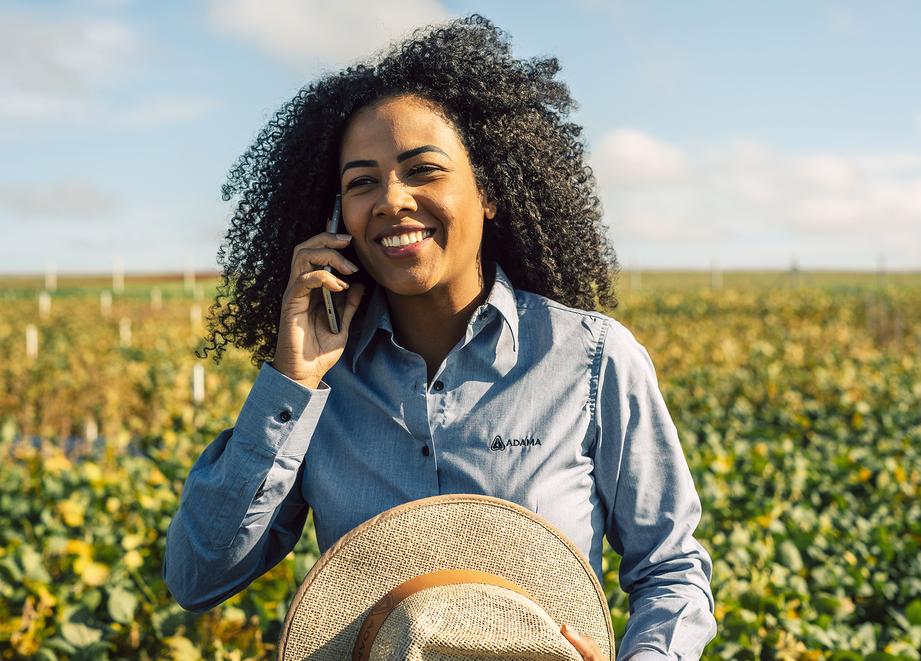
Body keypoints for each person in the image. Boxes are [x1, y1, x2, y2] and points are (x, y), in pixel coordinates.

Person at [164, 15, 717, 660]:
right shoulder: (315, 390)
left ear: (490, 193)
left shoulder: (592, 361)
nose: (392, 200)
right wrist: (292, 381)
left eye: (423, 170)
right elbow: (197, 577)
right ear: (336, 218)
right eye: (361, 182)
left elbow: (672, 568)